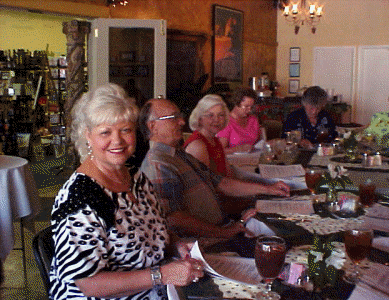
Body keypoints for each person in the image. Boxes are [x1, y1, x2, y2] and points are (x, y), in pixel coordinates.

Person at [49, 84, 204, 300]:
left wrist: (176, 245)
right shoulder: (80, 198)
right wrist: (161, 275)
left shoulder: (136, 177)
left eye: (125, 130)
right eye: (105, 132)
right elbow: (88, 284)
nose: (117, 141)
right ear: (87, 136)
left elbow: (152, 231)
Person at [139, 98, 290, 242]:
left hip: (224, 226)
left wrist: (269, 189)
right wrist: (225, 233)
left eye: (180, 116)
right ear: (152, 126)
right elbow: (174, 219)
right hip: (207, 242)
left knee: (286, 225)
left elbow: (221, 182)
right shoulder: (158, 163)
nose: (181, 122)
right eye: (173, 118)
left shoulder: (177, 154)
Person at [184, 94, 233, 177]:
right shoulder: (198, 145)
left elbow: (228, 174)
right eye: (210, 115)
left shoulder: (215, 141)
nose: (216, 120)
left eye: (221, 115)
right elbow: (207, 184)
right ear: (199, 119)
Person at [216, 87, 261, 154]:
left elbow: (259, 142)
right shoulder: (226, 122)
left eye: (251, 107)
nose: (249, 110)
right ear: (236, 103)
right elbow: (219, 150)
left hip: (253, 158)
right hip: (233, 161)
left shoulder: (253, 119)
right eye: (246, 106)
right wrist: (237, 149)